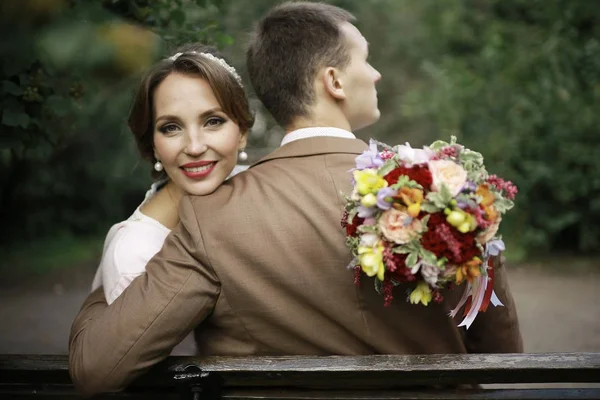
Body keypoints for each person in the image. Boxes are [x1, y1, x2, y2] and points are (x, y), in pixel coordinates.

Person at [69, 2, 523, 397]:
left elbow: (98, 367)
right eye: (365, 59)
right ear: (334, 81)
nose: (376, 72)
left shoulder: (211, 217)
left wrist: (100, 287)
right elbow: (501, 356)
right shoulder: (443, 188)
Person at [90, 43, 254, 305]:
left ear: (242, 132)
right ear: (153, 145)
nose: (195, 147)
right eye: (171, 128)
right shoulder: (135, 255)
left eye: (213, 121)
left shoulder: (262, 192)